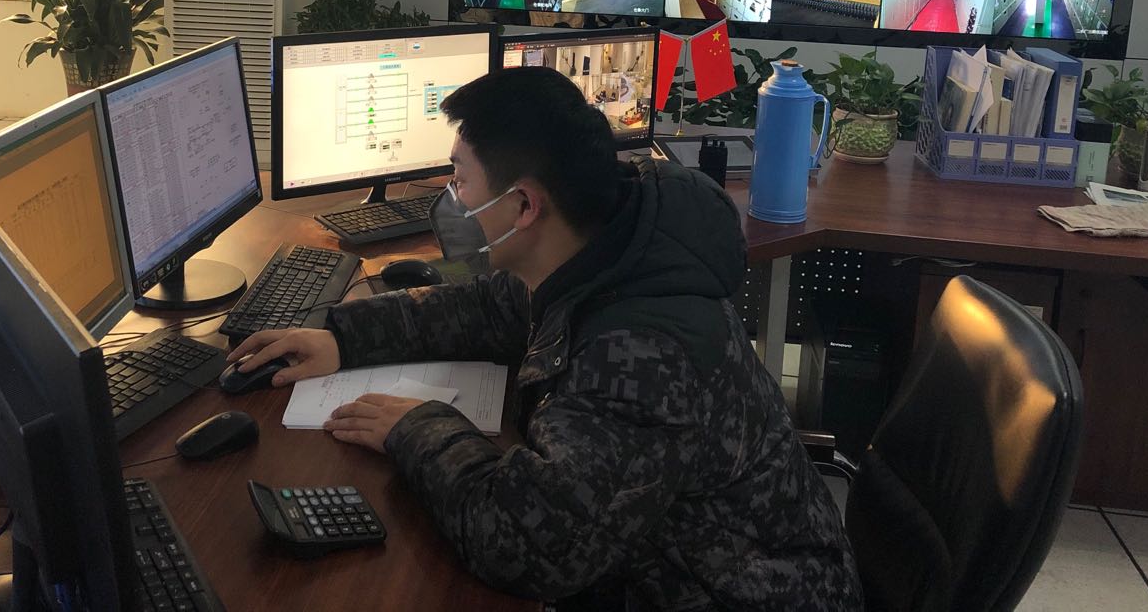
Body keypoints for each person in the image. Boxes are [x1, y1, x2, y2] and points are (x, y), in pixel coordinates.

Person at [227, 67, 863, 611]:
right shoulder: (606, 244)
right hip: (669, 567)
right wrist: (342, 337)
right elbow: (493, 307)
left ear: (525, 207)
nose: (451, 199)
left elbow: (528, 548)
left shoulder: (640, 357)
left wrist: (418, 427)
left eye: (460, 180)